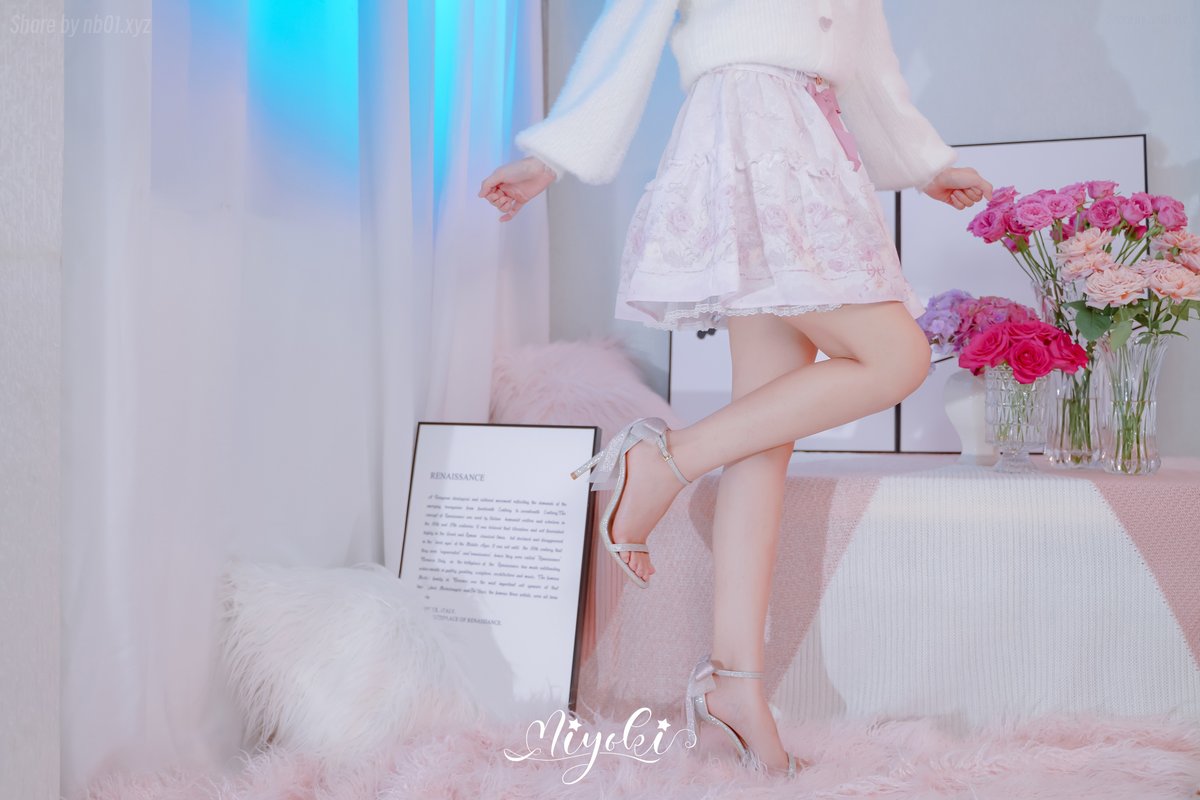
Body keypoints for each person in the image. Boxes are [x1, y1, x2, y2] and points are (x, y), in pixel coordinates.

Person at [479, 0, 992, 780]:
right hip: (751, 137)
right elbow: (630, 27)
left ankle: (736, 684)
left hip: (812, 151)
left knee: (763, 445)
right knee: (898, 357)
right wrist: (549, 157)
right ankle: (664, 462)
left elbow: (867, 60)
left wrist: (924, 164)